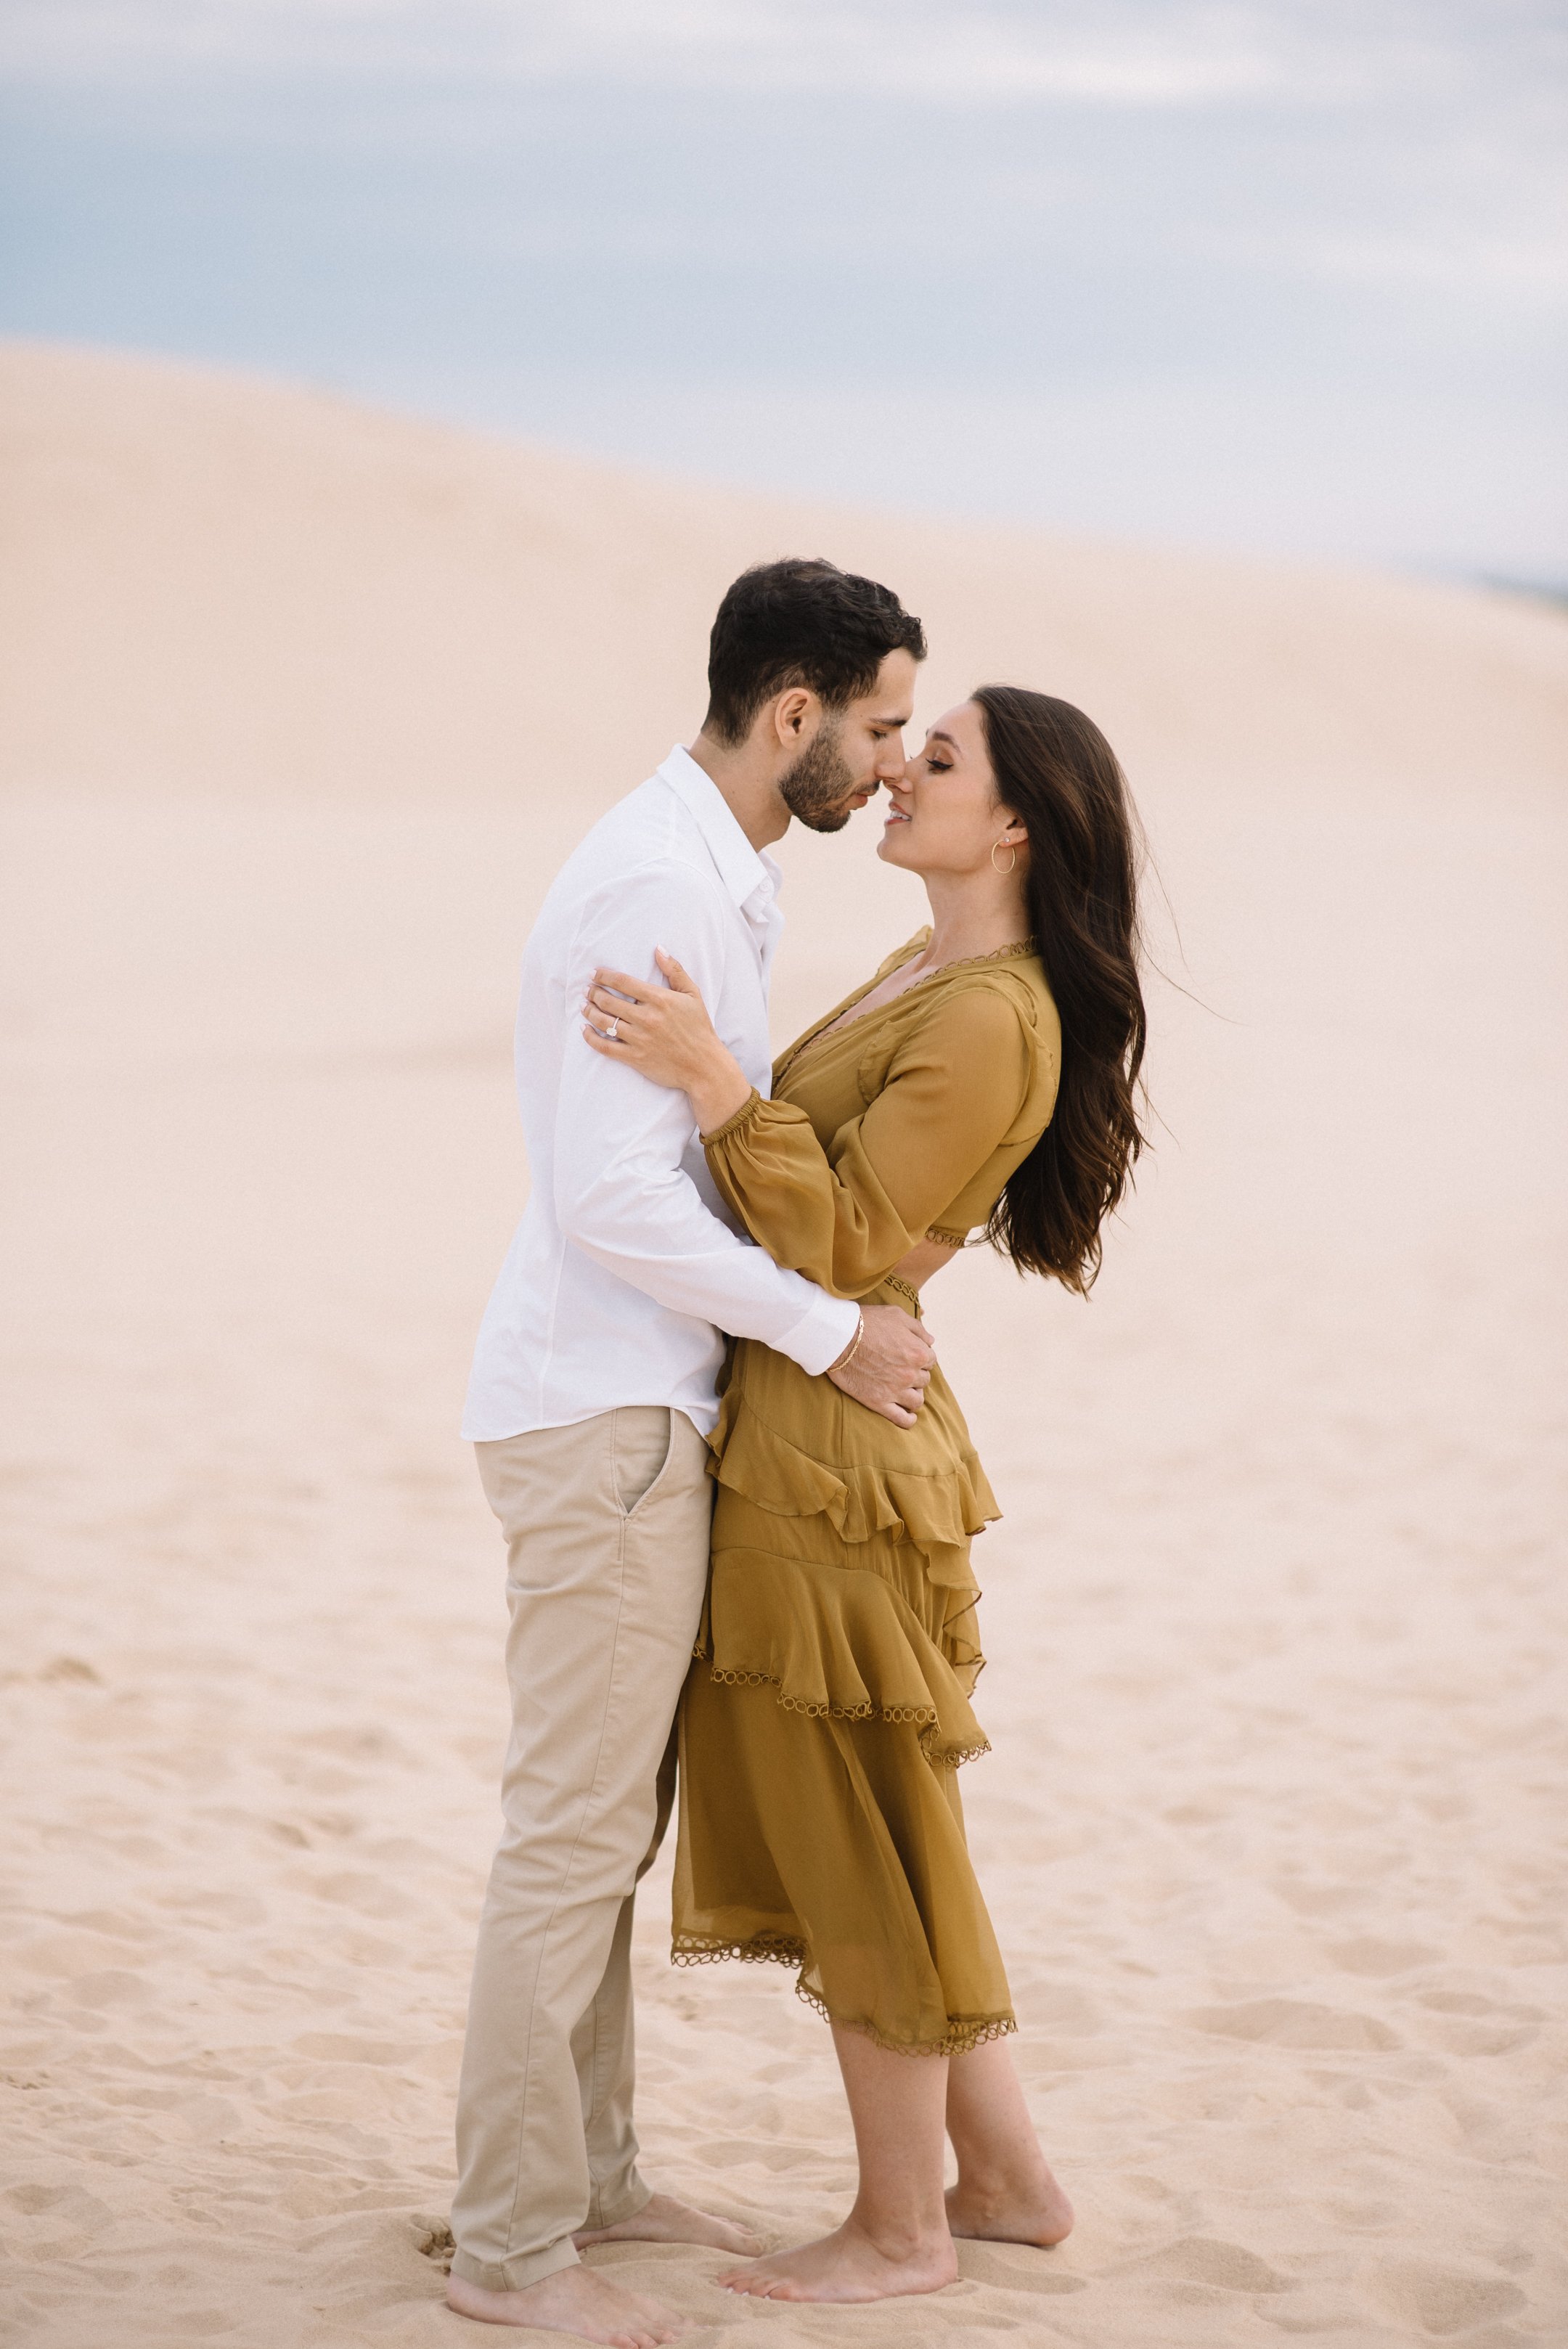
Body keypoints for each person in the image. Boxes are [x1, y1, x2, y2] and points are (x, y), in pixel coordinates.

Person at [581, 683, 1148, 2306]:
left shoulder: (990, 1013)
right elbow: (846, 1239)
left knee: (861, 1844)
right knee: (896, 1833)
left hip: (838, 1469)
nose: (897, 768)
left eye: (940, 754)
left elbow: (835, 1240)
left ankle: (903, 2232)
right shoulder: (934, 967)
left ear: (1020, 820)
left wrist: (710, 1084)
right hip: (816, 1412)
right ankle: (1010, 2182)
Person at [448, 557, 941, 2348]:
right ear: (794, 712)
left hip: (634, 1403)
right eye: (881, 727)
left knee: (601, 1830)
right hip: (606, 1408)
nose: (895, 766)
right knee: (570, 1841)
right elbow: (608, 1199)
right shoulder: (663, 874)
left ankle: (589, 2179)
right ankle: (512, 2252)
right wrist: (827, 1326)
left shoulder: (710, 872)